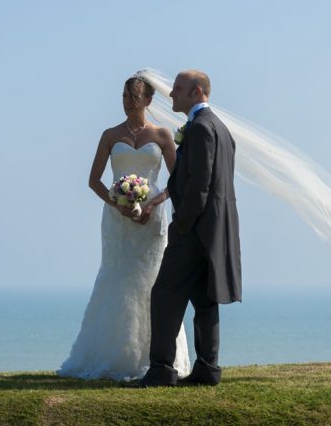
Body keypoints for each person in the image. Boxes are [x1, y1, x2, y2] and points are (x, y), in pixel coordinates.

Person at [58, 75, 191, 381]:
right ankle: (111, 355)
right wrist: (116, 203)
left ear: (147, 101)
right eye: (124, 96)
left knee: (151, 284)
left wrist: (154, 203)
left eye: (134, 97)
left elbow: (178, 181)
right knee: (115, 279)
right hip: (116, 221)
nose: (128, 102)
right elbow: (93, 180)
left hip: (151, 221)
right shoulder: (109, 135)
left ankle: (157, 358)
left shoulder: (162, 135)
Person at [138, 70, 242, 387]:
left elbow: (200, 185)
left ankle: (161, 370)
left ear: (197, 92)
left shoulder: (200, 129)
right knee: (204, 299)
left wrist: (180, 224)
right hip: (214, 232)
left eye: (178, 89)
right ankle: (207, 368)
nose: (171, 94)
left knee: (164, 294)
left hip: (193, 231)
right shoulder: (220, 129)